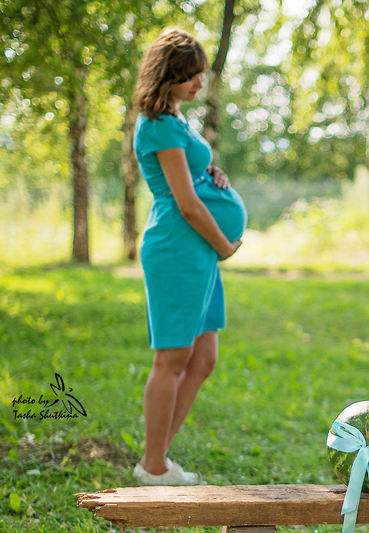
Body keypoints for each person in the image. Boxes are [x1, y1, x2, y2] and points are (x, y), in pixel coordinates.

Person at [131, 27, 247, 485]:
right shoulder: (157, 125)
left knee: (203, 359)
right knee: (173, 358)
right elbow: (187, 205)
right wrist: (225, 246)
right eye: (191, 76)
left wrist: (210, 172)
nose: (200, 82)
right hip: (179, 249)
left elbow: (190, 179)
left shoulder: (175, 120)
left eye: (201, 74)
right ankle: (153, 466)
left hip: (195, 251)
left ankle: (158, 460)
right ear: (168, 76)